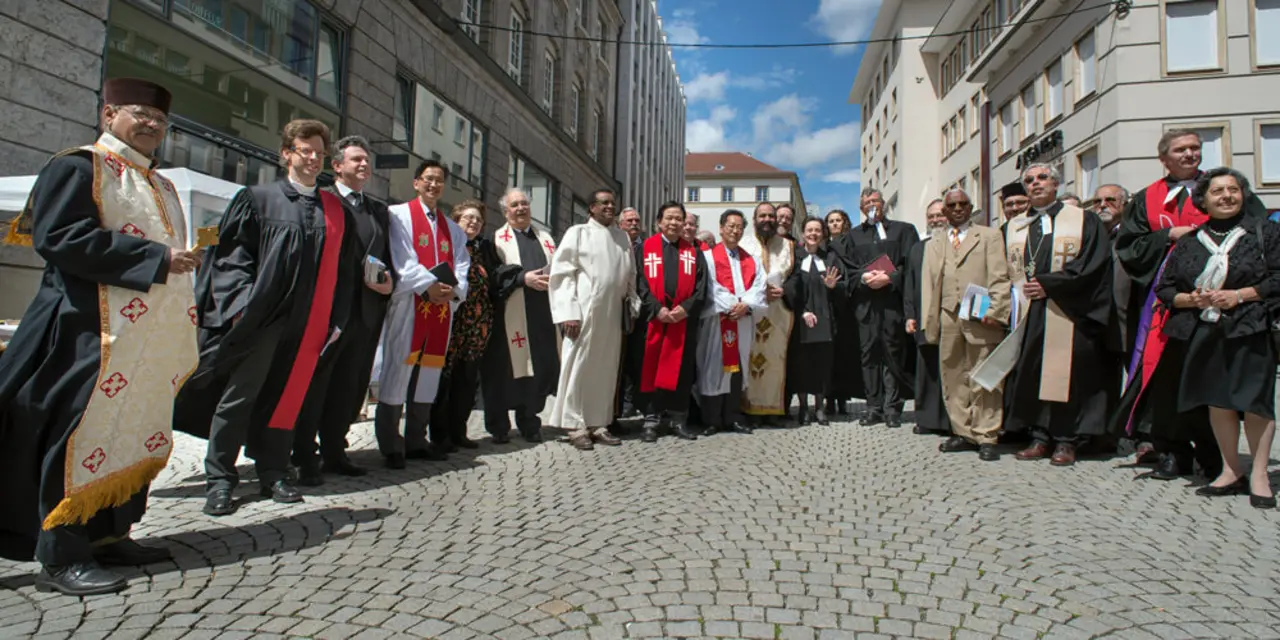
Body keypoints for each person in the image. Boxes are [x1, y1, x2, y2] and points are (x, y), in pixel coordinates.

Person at [0, 78, 200, 595]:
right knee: (76, 437)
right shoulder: (79, 165)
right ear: (110, 114)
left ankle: (110, 533)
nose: (152, 123)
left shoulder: (161, 183)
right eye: (140, 113)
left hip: (141, 343)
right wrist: (157, 259)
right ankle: (61, 553)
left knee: (128, 433)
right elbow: (59, 237)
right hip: (85, 331)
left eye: (159, 118)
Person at [175, 119, 363, 516]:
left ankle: (274, 470)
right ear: (286, 154)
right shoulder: (258, 199)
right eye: (304, 149)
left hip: (310, 321)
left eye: (318, 151)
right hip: (262, 318)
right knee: (240, 397)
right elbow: (231, 259)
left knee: (287, 397)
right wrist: (241, 307)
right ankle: (221, 479)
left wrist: (337, 318)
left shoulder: (336, 209)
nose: (312, 157)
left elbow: (346, 271)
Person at [1115, 130, 1265, 479]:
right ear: (1164, 158)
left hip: (1222, 304)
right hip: (1166, 304)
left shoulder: (1223, 188)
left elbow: (1256, 232)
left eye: (1195, 149)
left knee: (1209, 379)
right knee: (1167, 381)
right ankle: (1172, 451)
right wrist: (1168, 235)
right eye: (1180, 150)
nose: (1189, 155)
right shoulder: (1146, 198)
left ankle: (1217, 456)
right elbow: (1128, 245)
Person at [1155, 168, 1278, 508]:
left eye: (1233, 189)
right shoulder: (1190, 242)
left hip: (1251, 327)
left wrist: (1240, 295)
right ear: (1203, 200)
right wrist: (1189, 300)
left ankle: (1260, 475)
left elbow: (1278, 278)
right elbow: (1166, 289)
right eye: (1217, 191)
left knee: (1255, 402)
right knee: (1218, 402)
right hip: (1205, 331)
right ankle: (1230, 470)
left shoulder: (1264, 233)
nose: (1226, 196)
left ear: (1243, 194)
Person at [291, 135, 394, 484]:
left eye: (366, 160)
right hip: (326, 311)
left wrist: (387, 282)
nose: (363, 165)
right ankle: (303, 454)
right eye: (356, 160)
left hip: (365, 313)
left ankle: (335, 450)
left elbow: (388, 258)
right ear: (336, 166)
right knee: (316, 385)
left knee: (349, 386)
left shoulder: (378, 210)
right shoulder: (321, 201)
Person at [1004, 163, 1113, 466]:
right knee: (1033, 371)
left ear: (1055, 183)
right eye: (1029, 180)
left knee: (1068, 374)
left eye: (1042, 178)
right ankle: (1039, 436)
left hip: (1069, 308)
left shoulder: (1082, 220)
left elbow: (1093, 263)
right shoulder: (1016, 225)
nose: (1035, 184)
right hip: (1027, 310)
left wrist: (1050, 285)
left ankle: (1067, 440)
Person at [375, 161, 470, 466]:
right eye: (428, 180)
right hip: (410, 306)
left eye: (439, 181)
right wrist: (428, 285)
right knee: (398, 370)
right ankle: (391, 444)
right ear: (416, 183)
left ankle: (417, 438)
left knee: (428, 373)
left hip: (440, 310)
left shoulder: (453, 230)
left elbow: (462, 265)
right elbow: (401, 258)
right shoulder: (398, 216)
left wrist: (454, 291)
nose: (433, 185)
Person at [921, 190, 1011, 462]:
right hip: (948, 315)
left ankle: (986, 434)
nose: (957, 209)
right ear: (944, 211)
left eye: (963, 204)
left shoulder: (989, 236)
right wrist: (929, 320)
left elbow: (999, 275)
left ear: (971, 208)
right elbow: (928, 285)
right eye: (952, 205)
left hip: (980, 314)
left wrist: (997, 311)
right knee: (952, 375)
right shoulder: (934, 243)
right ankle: (963, 431)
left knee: (985, 376)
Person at [548, 189, 637, 450]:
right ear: (591, 208)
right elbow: (562, 274)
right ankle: (575, 424)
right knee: (579, 366)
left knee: (606, 369)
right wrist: (568, 313)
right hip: (584, 312)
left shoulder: (622, 237)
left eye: (613, 203)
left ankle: (598, 422)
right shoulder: (578, 233)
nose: (610, 207)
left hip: (612, 314)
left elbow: (629, 274)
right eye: (604, 203)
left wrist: (632, 302)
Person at [482, 188, 560, 443]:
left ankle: (529, 422)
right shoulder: (495, 240)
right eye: (515, 205)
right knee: (505, 372)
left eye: (524, 203)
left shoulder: (546, 238)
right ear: (506, 211)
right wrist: (522, 278)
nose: (521, 209)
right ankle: (499, 427)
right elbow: (494, 276)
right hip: (509, 316)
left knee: (534, 371)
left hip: (541, 316)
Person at [838, 188, 918, 428]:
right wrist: (863, 277)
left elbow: (913, 265)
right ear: (861, 208)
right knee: (869, 353)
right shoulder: (853, 237)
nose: (871, 205)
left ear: (883, 204)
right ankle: (873, 406)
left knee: (893, 353)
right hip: (866, 304)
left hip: (894, 303)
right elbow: (847, 269)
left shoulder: (904, 230)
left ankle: (893, 408)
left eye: (875, 201)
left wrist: (891, 278)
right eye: (866, 202)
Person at [637, 201, 709, 442]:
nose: (674, 223)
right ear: (659, 221)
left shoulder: (694, 252)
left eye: (679, 218)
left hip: (682, 321)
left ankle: (679, 419)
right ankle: (651, 419)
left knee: (682, 370)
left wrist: (685, 309)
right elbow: (639, 283)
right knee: (651, 367)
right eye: (669, 218)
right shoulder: (645, 249)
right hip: (653, 320)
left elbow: (701, 288)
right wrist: (656, 309)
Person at [430, 200, 497, 454]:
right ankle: (440, 434)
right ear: (455, 220)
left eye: (478, 220)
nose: (473, 222)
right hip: (452, 322)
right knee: (444, 381)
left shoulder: (483, 251)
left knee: (467, 381)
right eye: (468, 218)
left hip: (477, 326)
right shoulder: (447, 246)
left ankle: (459, 431)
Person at [695, 209, 766, 435]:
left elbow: (759, 286)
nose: (735, 231)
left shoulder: (751, 260)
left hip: (742, 321)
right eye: (731, 226)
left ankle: (733, 416)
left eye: (739, 227)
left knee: (738, 368)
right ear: (721, 228)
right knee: (713, 368)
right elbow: (710, 287)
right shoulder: (707, 257)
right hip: (717, 321)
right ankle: (713, 419)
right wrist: (732, 305)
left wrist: (745, 305)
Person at [784, 218, 845, 425]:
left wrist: (832, 287)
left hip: (825, 320)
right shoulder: (795, 257)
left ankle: (819, 407)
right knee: (801, 364)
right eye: (809, 230)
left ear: (823, 234)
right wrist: (801, 312)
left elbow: (843, 288)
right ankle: (803, 407)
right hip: (800, 319)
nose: (813, 234)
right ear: (803, 233)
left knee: (822, 364)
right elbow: (789, 288)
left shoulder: (830, 258)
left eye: (817, 230)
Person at [739, 202, 796, 424]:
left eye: (771, 216)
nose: (768, 220)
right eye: (762, 216)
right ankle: (749, 408)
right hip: (751, 311)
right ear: (754, 218)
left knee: (775, 360)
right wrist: (759, 292)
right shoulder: (743, 244)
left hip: (778, 312)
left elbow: (797, 279)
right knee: (749, 357)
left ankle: (773, 410)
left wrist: (785, 290)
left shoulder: (788, 246)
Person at [903, 200, 951, 436]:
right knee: (927, 370)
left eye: (940, 215)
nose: (935, 220)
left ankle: (954, 420)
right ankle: (927, 419)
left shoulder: (956, 243)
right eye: (930, 216)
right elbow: (909, 284)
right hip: (924, 318)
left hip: (953, 318)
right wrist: (910, 315)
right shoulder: (917, 249)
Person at [823, 208, 861, 415]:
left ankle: (843, 398)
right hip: (829, 305)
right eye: (831, 221)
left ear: (845, 222)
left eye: (838, 220)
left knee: (845, 355)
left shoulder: (852, 244)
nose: (835, 224)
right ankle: (829, 398)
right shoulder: (825, 248)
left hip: (848, 306)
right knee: (830, 356)